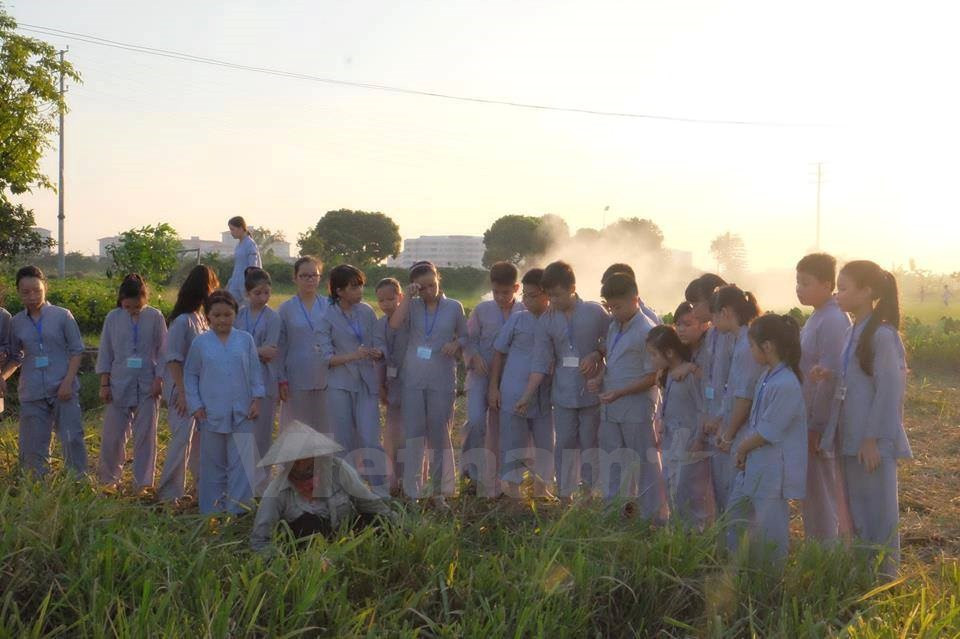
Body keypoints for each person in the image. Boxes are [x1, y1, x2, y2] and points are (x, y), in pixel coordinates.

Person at [820, 261, 911, 578]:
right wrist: (829, 374)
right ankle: (862, 575)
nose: (837, 294)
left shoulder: (883, 335)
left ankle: (885, 579)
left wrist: (872, 439)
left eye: (844, 288)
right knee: (856, 509)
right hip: (851, 436)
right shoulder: (852, 331)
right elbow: (857, 381)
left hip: (871, 441)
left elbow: (889, 391)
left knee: (878, 512)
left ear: (867, 291)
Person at [518, 260, 609, 500]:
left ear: (572, 289)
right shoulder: (547, 320)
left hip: (591, 391)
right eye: (549, 295)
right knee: (565, 442)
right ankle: (565, 494)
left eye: (557, 295)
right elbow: (540, 360)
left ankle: (588, 492)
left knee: (590, 442)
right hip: (563, 392)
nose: (552, 301)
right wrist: (527, 395)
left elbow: (612, 341)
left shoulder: (595, 313)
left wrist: (596, 354)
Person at [727, 313, 807, 564]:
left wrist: (741, 449)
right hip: (756, 464)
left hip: (773, 468)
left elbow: (768, 431)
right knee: (735, 518)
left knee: (771, 531)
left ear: (768, 346)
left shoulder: (786, 383)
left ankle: (770, 579)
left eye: (752, 346)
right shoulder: (767, 376)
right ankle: (737, 569)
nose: (750, 351)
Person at [250, 421, 395, 553]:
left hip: (347, 536)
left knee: (379, 521)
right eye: (296, 463)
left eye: (307, 462)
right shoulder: (276, 491)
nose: (301, 466)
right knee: (308, 523)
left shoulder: (338, 469)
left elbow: (369, 503)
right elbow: (260, 540)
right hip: (310, 553)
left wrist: (394, 524)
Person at [389, 261, 467, 500]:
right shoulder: (411, 306)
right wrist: (407, 297)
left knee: (439, 433)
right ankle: (413, 491)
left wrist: (455, 344)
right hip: (413, 377)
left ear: (438, 280)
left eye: (432, 285)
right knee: (414, 433)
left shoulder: (454, 307)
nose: (429, 291)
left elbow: (466, 336)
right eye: (422, 287)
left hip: (442, 377)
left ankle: (440, 490)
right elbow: (394, 324)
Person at [588, 273, 664, 515]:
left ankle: (654, 514)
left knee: (644, 461)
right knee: (613, 459)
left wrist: (620, 392)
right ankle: (615, 511)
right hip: (612, 405)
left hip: (636, 407)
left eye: (618, 307)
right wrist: (599, 378)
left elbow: (653, 376)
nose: (613, 312)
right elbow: (611, 361)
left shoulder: (647, 331)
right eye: (610, 307)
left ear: (635, 300)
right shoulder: (614, 326)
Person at [1, 266, 87, 476]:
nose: (32, 296)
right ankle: (36, 484)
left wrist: (68, 382)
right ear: (18, 292)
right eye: (26, 292)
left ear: (45, 288)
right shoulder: (17, 322)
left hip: (62, 387)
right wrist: (2, 376)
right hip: (32, 391)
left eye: (37, 291)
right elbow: (16, 357)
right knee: (32, 445)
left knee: (72, 438)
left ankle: (77, 482)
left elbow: (77, 351)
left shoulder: (62, 316)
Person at [184, 289, 264, 515]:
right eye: (217, 315)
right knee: (212, 464)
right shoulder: (201, 343)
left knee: (242, 463)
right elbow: (190, 375)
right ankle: (212, 511)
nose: (222, 320)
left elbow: (255, 372)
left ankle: (238, 510)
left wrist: (257, 400)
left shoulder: (245, 340)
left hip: (243, 410)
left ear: (235, 314)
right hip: (211, 411)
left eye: (227, 314)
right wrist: (195, 405)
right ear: (208, 316)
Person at [795, 253, 852, 542]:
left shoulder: (832, 320)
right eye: (797, 282)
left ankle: (826, 550)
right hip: (809, 416)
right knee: (814, 489)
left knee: (823, 491)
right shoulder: (818, 316)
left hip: (819, 421)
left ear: (827, 284)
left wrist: (818, 426)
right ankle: (818, 546)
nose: (799, 289)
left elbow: (830, 380)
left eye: (805, 283)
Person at [318, 264, 387, 494]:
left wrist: (379, 352)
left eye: (361, 286)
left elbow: (379, 340)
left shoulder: (366, 312)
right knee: (342, 442)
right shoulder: (326, 316)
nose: (360, 291)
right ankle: (346, 493)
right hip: (339, 385)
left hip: (366, 383)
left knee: (370, 438)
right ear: (339, 291)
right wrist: (354, 355)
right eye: (354, 287)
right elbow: (326, 358)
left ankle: (380, 492)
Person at [96, 274, 167, 491]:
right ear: (121, 301)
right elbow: (106, 351)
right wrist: (104, 383)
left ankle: (142, 483)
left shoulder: (155, 316)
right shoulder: (113, 318)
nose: (132, 310)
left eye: (137, 306)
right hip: (119, 383)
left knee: (146, 436)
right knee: (112, 435)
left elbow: (164, 351)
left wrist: (159, 379)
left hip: (147, 384)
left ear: (145, 299)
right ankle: (109, 480)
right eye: (128, 306)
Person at [488, 268, 554, 499]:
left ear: (547, 294)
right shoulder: (518, 319)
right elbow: (498, 352)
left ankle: (542, 488)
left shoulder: (555, 320)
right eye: (525, 295)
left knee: (545, 442)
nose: (526, 300)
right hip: (514, 391)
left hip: (544, 394)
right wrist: (493, 387)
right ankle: (513, 491)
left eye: (532, 295)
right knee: (512, 441)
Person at [156, 264, 219, 502]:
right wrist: (183, 393)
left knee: (198, 444)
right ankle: (168, 493)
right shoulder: (182, 321)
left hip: (198, 391)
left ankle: (201, 489)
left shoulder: (201, 318)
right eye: (212, 287)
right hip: (181, 390)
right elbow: (173, 359)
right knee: (182, 441)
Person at [461, 261, 523, 497]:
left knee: (501, 428)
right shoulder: (482, 310)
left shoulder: (524, 311)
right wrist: (474, 356)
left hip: (510, 378)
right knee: (476, 420)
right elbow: (468, 339)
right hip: (481, 374)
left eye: (505, 292)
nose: (500, 297)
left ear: (516, 288)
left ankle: (498, 478)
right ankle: (471, 471)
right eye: (496, 292)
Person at [647, 324, 711, 529]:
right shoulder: (668, 374)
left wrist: (699, 438)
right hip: (672, 439)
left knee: (688, 491)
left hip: (689, 440)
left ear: (669, 352)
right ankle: (678, 533)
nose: (651, 360)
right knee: (672, 486)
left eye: (654, 354)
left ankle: (694, 534)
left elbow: (702, 408)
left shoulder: (689, 375)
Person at [707, 284, 763, 513]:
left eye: (714, 316)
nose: (712, 322)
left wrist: (729, 434)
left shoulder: (746, 346)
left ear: (726, 312)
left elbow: (744, 397)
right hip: (734, 427)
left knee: (737, 500)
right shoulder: (740, 341)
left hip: (742, 430)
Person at [235, 267, 282, 495]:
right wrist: (256, 351)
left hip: (265, 380)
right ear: (247, 293)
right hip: (240, 381)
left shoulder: (273, 317)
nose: (263, 298)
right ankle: (242, 482)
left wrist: (246, 352)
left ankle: (261, 486)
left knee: (263, 434)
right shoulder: (238, 315)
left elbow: (271, 351)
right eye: (257, 293)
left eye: (266, 293)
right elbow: (232, 348)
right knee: (242, 433)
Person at [277, 256, 330, 434]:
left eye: (314, 275)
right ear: (295, 278)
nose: (310, 279)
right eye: (304, 275)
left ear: (320, 277)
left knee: (325, 427)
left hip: (325, 375)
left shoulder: (329, 306)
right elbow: (281, 347)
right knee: (297, 428)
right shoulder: (286, 309)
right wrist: (281, 379)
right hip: (296, 376)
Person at [375, 278, 407, 495]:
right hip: (392, 384)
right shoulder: (379, 325)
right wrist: (380, 386)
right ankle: (393, 481)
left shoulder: (411, 321)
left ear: (400, 297)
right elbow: (379, 359)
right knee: (393, 434)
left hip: (414, 383)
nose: (386, 304)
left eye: (390, 299)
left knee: (411, 435)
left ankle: (411, 481)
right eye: (381, 301)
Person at [225, 216, 262, 305]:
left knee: (248, 308)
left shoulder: (250, 244)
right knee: (231, 306)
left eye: (232, 229)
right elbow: (238, 267)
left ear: (241, 228)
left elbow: (253, 266)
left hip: (246, 284)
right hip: (236, 283)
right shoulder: (238, 246)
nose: (231, 232)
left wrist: (250, 284)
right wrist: (230, 283)